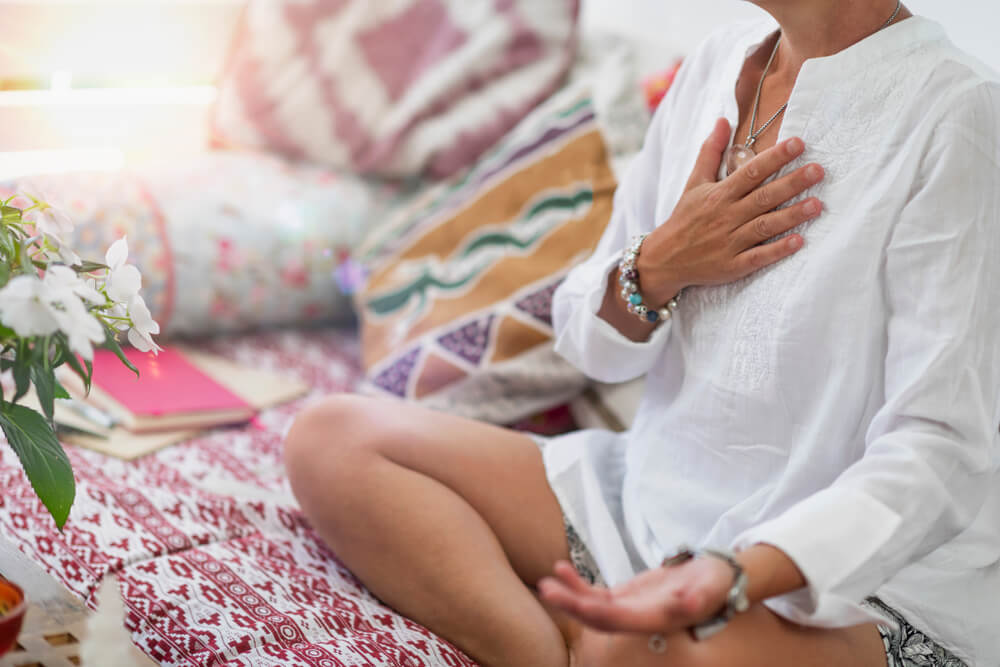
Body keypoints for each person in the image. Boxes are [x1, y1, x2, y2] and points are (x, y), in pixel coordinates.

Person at [283, 1, 1000, 665]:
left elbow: (940, 449)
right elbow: (584, 340)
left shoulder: (959, 116)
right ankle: (550, 648)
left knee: (628, 653)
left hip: (851, 578)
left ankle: (597, 639)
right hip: (648, 496)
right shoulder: (717, 65)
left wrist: (736, 572)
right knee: (330, 436)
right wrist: (659, 265)